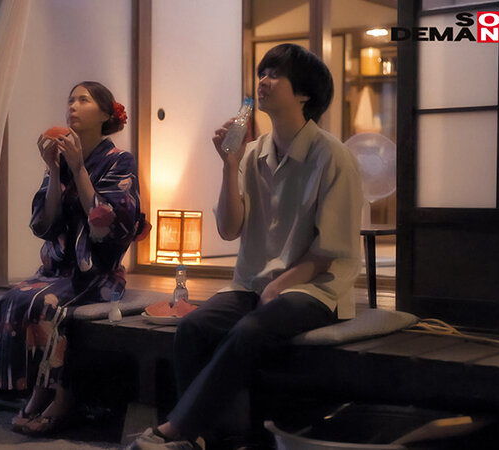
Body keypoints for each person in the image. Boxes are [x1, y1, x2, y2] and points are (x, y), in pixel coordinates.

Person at [129, 44, 363, 449]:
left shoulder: (333, 156)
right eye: (262, 73)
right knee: (192, 328)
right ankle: (201, 438)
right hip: (253, 283)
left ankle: (177, 429)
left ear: (303, 94)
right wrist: (229, 164)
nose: (263, 81)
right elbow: (228, 228)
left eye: (275, 74)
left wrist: (279, 286)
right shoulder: (252, 153)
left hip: (316, 288)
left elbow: (328, 252)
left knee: (250, 329)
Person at [0, 81, 147, 436]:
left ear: (105, 114)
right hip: (58, 269)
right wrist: (56, 171)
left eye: (83, 99)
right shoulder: (59, 161)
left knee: (46, 305)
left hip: (98, 273)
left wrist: (80, 169)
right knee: (10, 301)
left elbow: (108, 222)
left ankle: (61, 396)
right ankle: (35, 389)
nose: (73, 105)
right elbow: (45, 224)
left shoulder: (120, 160)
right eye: (71, 99)